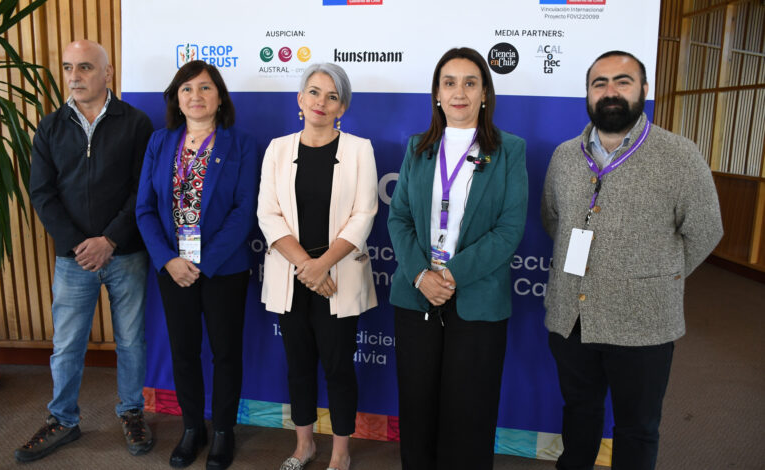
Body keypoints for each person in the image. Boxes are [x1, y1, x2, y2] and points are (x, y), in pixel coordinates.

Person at [541, 51, 723, 470]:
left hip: (644, 321)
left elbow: (705, 230)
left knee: (637, 428)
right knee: (579, 413)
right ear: (588, 94)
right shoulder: (564, 156)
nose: (610, 91)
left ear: (644, 90)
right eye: (599, 83)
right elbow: (553, 219)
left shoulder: (679, 155)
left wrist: (657, 277)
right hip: (572, 317)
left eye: (622, 82)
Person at [387, 47, 528, 470]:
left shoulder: (509, 150)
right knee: (417, 407)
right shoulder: (418, 148)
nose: (459, 92)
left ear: (485, 93)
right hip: (416, 296)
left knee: (469, 410)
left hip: (477, 296)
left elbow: (508, 230)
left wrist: (449, 275)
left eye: (470, 83)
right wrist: (420, 275)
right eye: (449, 83)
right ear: (437, 93)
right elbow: (399, 218)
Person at [18, 40, 154, 462]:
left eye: (85, 67)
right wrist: (81, 245)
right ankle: (63, 419)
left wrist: (109, 240)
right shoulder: (50, 126)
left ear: (107, 73)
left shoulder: (136, 123)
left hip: (126, 253)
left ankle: (131, 412)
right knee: (67, 344)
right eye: (68, 67)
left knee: (130, 341)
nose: (74, 76)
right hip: (73, 258)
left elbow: (142, 189)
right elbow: (42, 193)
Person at [135, 60, 258, 470]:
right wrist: (168, 259)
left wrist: (202, 263)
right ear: (176, 98)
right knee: (183, 351)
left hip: (223, 269)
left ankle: (222, 430)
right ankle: (192, 427)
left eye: (205, 88)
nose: (196, 96)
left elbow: (244, 212)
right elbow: (145, 209)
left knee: (226, 353)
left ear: (220, 97)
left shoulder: (241, 144)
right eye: (186, 89)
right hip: (173, 269)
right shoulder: (159, 142)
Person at [257, 63, 378, 470]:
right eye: (313, 92)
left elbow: (364, 215)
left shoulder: (359, 150)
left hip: (337, 277)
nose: (320, 102)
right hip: (293, 277)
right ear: (300, 99)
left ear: (342, 107)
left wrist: (322, 265)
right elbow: (268, 214)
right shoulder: (278, 149)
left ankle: (341, 452)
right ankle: (304, 445)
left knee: (339, 368)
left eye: (331, 96)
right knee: (299, 366)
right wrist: (307, 267)